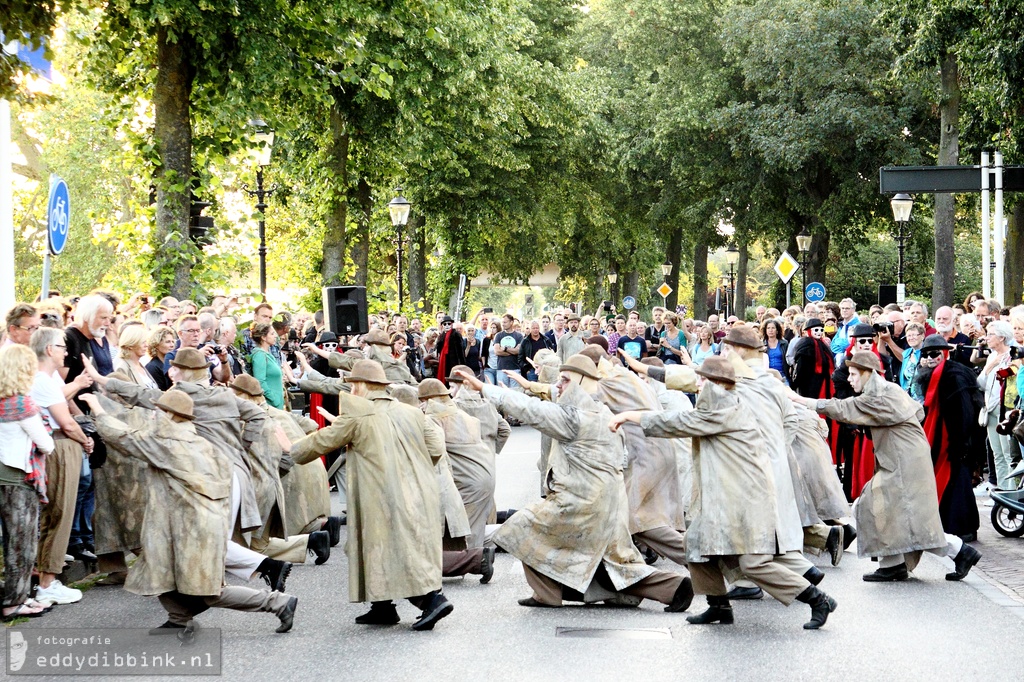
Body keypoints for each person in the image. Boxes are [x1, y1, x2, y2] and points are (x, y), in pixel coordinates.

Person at [611, 357, 837, 630]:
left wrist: (628, 415)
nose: (697, 383)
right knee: (695, 545)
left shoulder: (724, 410)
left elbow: (677, 421)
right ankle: (718, 606)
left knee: (753, 565)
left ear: (716, 384)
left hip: (748, 502)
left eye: (702, 379)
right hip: (726, 501)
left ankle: (818, 599)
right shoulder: (719, 403)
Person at [454, 365, 695, 613]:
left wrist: (484, 387)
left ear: (580, 383)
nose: (558, 385)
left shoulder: (575, 418)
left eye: (564, 380)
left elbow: (532, 410)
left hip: (580, 504)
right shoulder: (602, 412)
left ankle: (548, 593)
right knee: (611, 562)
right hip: (607, 504)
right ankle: (673, 587)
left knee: (521, 529)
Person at [82, 390, 298, 633]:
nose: (152, 415)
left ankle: (278, 602)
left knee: (208, 591)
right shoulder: (199, 442)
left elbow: (123, 437)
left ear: (170, 415)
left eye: (158, 411)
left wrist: (97, 408)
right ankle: (179, 618)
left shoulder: (169, 445)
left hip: (193, 528)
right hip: (187, 524)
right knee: (159, 571)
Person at [285, 360, 453, 630]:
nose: (350, 390)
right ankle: (382, 607)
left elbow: (322, 442)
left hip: (379, 492)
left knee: (386, 546)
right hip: (417, 488)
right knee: (386, 545)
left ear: (361, 385)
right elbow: (435, 446)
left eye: (352, 385)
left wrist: (288, 450)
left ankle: (431, 600)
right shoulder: (411, 411)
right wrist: (414, 468)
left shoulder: (359, 413)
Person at [793, 351, 982, 582]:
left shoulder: (881, 395)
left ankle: (957, 551)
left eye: (853, 374)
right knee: (893, 514)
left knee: (902, 517)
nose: (849, 379)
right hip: (902, 459)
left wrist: (802, 401)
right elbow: (916, 410)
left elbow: (844, 408)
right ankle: (895, 564)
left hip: (905, 462)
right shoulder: (886, 390)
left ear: (868, 374)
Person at [30, 328, 93, 605]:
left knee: (56, 514)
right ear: (48, 350)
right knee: (61, 513)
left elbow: (63, 405)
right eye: (61, 346)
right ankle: (47, 582)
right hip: (60, 445)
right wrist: (85, 440)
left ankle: (47, 578)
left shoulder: (45, 379)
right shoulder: (42, 380)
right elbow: (66, 421)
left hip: (58, 443)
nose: (66, 351)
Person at [0, 344, 55, 619]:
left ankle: (13, 596)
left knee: (8, 543)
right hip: (19, 479)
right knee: (21, 544)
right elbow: (46, 445)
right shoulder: (22, 403)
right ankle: (14, 601)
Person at [915, 335, 983, 541]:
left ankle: (962, 527)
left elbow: (965, 411)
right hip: (941, 436)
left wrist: (960, 442)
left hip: (954, 437)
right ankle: (950, 524)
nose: (930, 358)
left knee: (957, 480)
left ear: (944, 353)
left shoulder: (955, 375)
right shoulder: (930, 374)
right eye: (926, 354)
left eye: (935, 353)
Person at [978, 321, 1019, 491]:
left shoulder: (1013, 355)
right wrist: (990, 366)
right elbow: (979, 383)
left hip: (1006, 409)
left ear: (1001, 337)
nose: (986, 338)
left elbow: (1011, 376)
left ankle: (1010, 490)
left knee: (1008, 453)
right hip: (990, 407)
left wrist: (1002, 368)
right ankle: (1001, 491)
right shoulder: (991, 356)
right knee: (997, 453)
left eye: (990, 334)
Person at [250, 322, 285, 409]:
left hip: (277, 404)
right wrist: (273, 399)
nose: (275, 336)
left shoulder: (267, 354)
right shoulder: (259, 355)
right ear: (263, 337)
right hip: (270, 405)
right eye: (272, 333)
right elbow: (260, 381)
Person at [435, 316, 466, 386]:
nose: (447, 326)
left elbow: (461, 350)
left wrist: (462, 364)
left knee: (452, 377)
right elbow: (438, 348)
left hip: (454, 360)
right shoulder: (442, 335)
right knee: (444, 375)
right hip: (444, 359)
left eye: (449, 324)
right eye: (445, 324)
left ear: (451, 324)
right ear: (442, 325)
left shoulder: (456, 334)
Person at [900, 322, 926, 402]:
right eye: (909, 336)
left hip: (922, 397)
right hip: (907, 398)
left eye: (914, 335)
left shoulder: (928, 353)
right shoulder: (906, 354)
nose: (911, 338)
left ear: (922, 336)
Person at [145, 325, 176, 391]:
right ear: (157, 344)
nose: (172, 345)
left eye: (173, 341)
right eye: (168, 342)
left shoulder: (173, 363)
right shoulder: (152, 367)